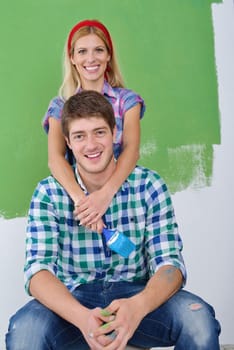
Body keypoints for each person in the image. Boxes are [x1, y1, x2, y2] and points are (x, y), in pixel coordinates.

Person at [6, 90, 220, 350]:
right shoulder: (48, 194)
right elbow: (38, 272)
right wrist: (82, 318)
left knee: (198, 319)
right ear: (68, 142)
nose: (91, 145)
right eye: (79, 136)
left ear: (114, 133)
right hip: (74, 304)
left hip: (137, 299)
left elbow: (170, 265)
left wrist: (138, 307)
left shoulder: (149, 185)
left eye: (99, 132)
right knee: (25, 331)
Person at [42, 19, 145, 233]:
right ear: (72, 58)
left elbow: (131, 151)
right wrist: (85, 203)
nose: (91, 58)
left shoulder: (127, 101)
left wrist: (105, 195)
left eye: (98, 50)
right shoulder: (59, 106)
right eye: (82, 51)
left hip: (121, 195)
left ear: (109, 55)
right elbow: (55, 159)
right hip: (77, 205)